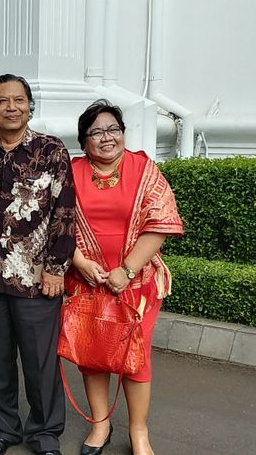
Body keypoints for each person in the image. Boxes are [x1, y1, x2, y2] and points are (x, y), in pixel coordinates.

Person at [0, 74, 76, 455]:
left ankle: (44, 433)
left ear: (29, 106)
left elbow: (64, 212)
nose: (11, 107)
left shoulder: (52, 151)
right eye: (2, 100)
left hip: (35, 276)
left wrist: (56, 268)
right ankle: (5, 428)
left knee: (39, 361)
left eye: (19, 100)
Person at [68, 99, 183, 455]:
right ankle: (100, 425)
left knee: (136, 357)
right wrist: (80, 261)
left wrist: (127, 269)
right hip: (87, 280)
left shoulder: (144, 169)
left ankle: (139, 432)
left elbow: (160, 223)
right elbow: (54, 224)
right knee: (93, 354)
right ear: (84, 140)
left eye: (113, 129)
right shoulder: (70, 172)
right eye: (96, 132)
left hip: (137, 283)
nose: (107, 138)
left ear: (123, 133)